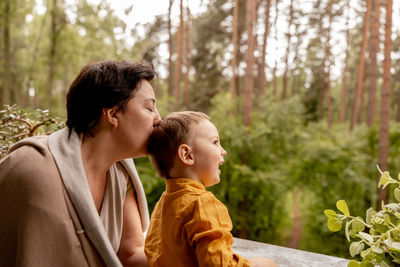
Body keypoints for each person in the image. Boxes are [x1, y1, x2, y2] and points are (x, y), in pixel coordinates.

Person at [0, 60, 161, 267]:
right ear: (112, 114)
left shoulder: (120, 177)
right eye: (149, 108)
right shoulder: (31, 169)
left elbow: (130, 254)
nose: (158, 119)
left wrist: (190, 249)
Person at [145, 111, 277, 267]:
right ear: (187, 155)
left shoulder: (163, 205)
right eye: (215, 142)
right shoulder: (202, 205)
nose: (223, 151)